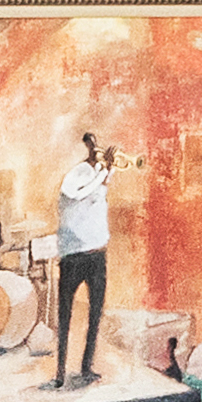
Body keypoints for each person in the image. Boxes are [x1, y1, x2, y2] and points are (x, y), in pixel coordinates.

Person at [51, 125, 114, 387]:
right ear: (88, 148)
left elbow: (98, 195)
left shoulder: (98, 177)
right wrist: (102, 174)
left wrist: (106, 173)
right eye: (94, 150)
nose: (98, 156)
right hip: (73, 257)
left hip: (97, 255)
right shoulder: (76, 175)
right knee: (65, 316)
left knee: (96, 314)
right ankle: (60, 371)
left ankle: (86, 366)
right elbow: (75, 193)